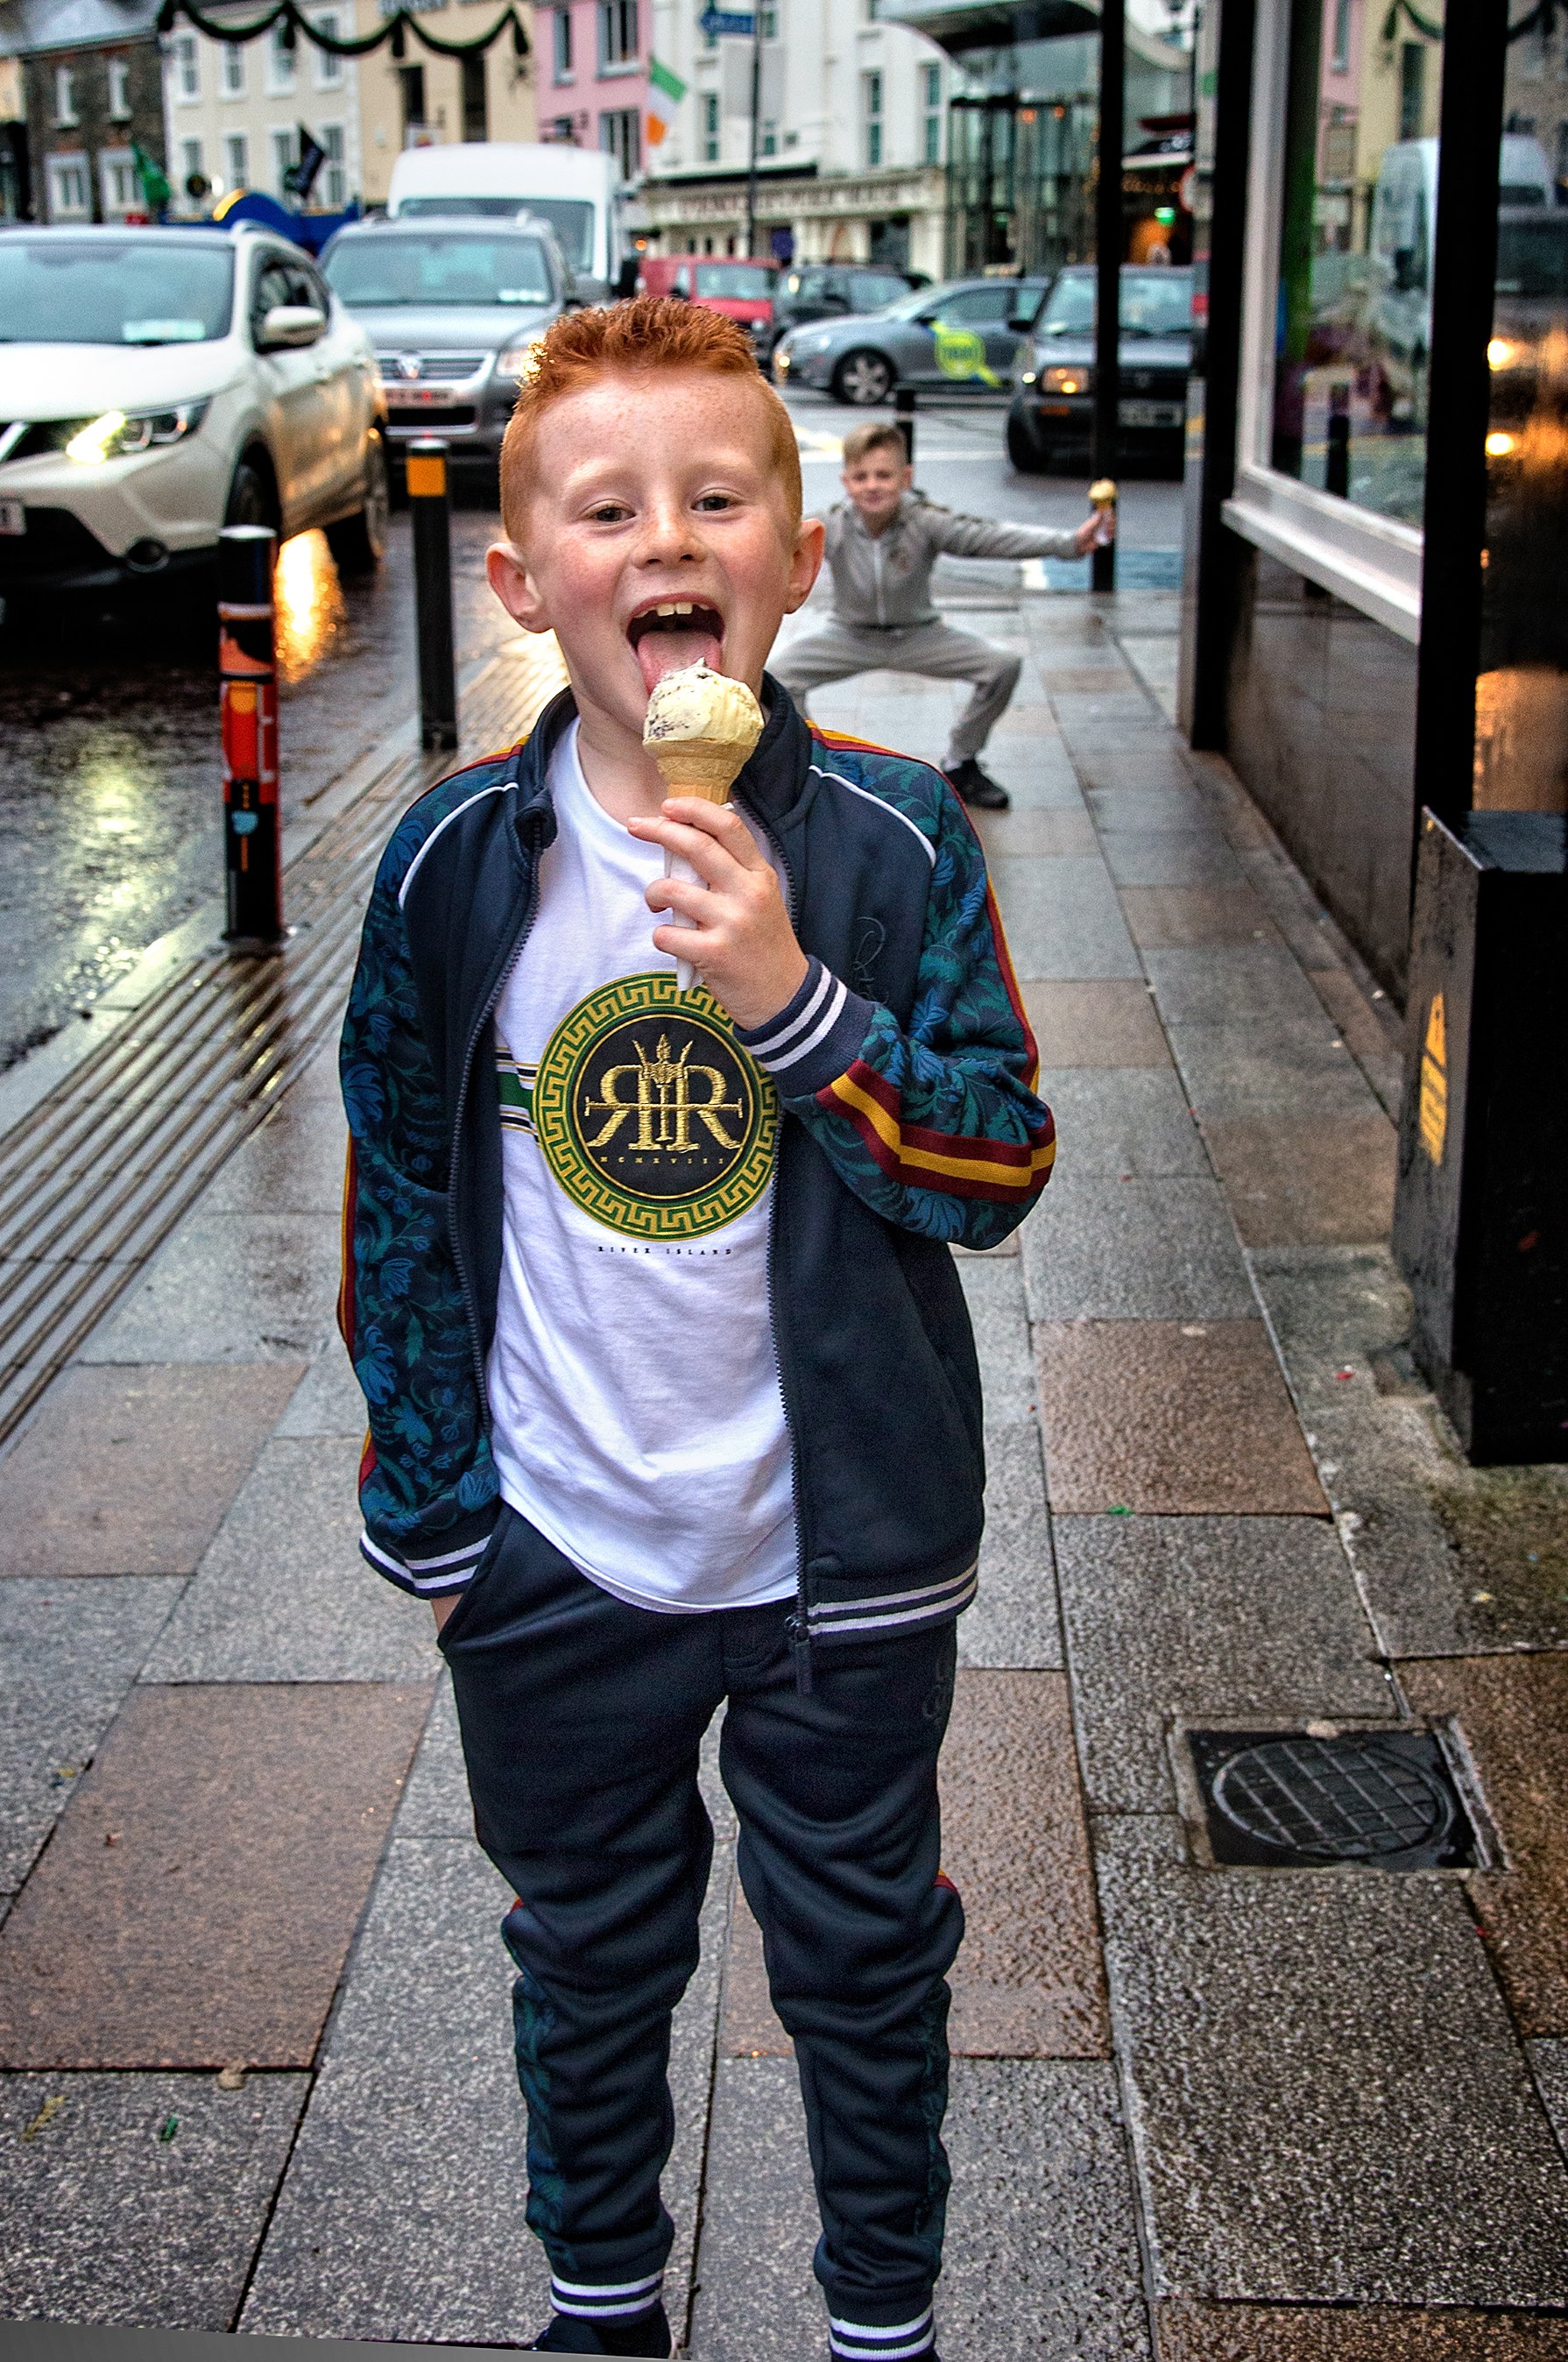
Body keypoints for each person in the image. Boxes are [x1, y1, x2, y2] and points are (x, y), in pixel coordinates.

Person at [338, 298, 1056, 2362]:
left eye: (716, 499)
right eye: (606, 509)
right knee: (583, 1957)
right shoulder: (450, 867)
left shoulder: (888, 842)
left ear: (798, 556)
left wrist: (798, 1009)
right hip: (559, 1553)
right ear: (518, 581)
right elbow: (399, 1193)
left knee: (862, 1961)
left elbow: (994, 1169)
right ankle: (599, 2304)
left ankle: (880, 2324)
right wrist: (441, 1519)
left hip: (836, 1557)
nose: (664, 539)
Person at [772, 419, 1105, 810]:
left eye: (884, 475)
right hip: (850, 634)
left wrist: (1069, 543)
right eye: (861, 477)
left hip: (918, 634)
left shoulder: (924, 521)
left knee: (1002, 666)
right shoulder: (832, 525)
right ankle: (814, 766)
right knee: (778, 676)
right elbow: (774, 544)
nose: (872, 485)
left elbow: (987, 537)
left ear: (906, 478)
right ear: (846, 482)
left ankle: (961, 762)